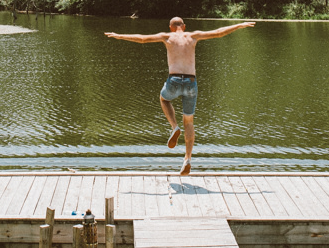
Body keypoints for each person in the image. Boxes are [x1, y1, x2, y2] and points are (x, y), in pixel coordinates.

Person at [105, 18, 255, 175]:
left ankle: (174, 127)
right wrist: (240, 25)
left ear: (170, 27)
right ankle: (187, 159)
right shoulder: (193, 36)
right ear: (184, 27)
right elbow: (218, 33)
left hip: (174, 80)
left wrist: (119, 35)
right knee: (189, 122)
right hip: (191, 82)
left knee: (164, 99)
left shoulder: (167, 36)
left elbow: (142, 39)